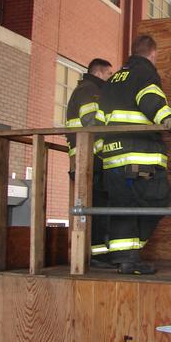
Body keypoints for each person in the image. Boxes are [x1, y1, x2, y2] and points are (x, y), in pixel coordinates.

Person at [99, 35, 171, 275]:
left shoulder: (113, 80)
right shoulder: (145, 74)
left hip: (113, 162)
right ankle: (131, 254)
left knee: (123, 205)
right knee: (158, 198)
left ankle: (126, 259)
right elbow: (150, 100)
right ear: (153, 54)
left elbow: (100, 118)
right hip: (139, 162)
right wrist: (167, 118)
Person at [65, 57, 113, 266]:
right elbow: (92, 124)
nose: (111, 79)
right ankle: (96, 255)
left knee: (99, 205)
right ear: (99, 72)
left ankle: (99, 254)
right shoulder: (90, 90)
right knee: (96, 206)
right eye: (109, 74)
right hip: (88, 158)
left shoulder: (89, 89)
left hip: (89, 158)